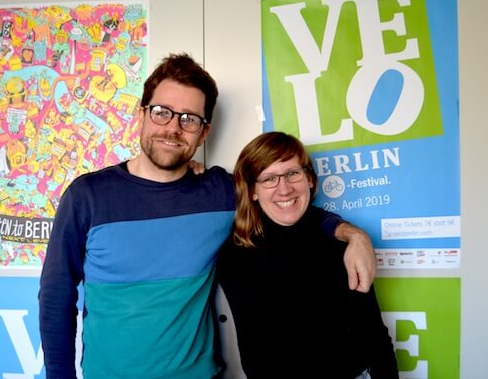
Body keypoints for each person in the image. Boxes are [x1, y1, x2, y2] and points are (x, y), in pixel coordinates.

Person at [39, 53, 377, 378]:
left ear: (204, 132)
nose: (173, 128)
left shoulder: (219, 192)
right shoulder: (87, 196)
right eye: (161, 112)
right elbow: (57, 296)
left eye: (189, 119)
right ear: (141, 114)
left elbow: (285, 203)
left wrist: (351, 234)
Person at [216, 131, 398, 378]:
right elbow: (257, 352)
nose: (284, 189)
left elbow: (373, 332)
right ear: (252, 191)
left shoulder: (342, 244)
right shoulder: (235, 254)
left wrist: (355, 235)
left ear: (309, 179)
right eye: (269, 178)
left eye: (292, 173)